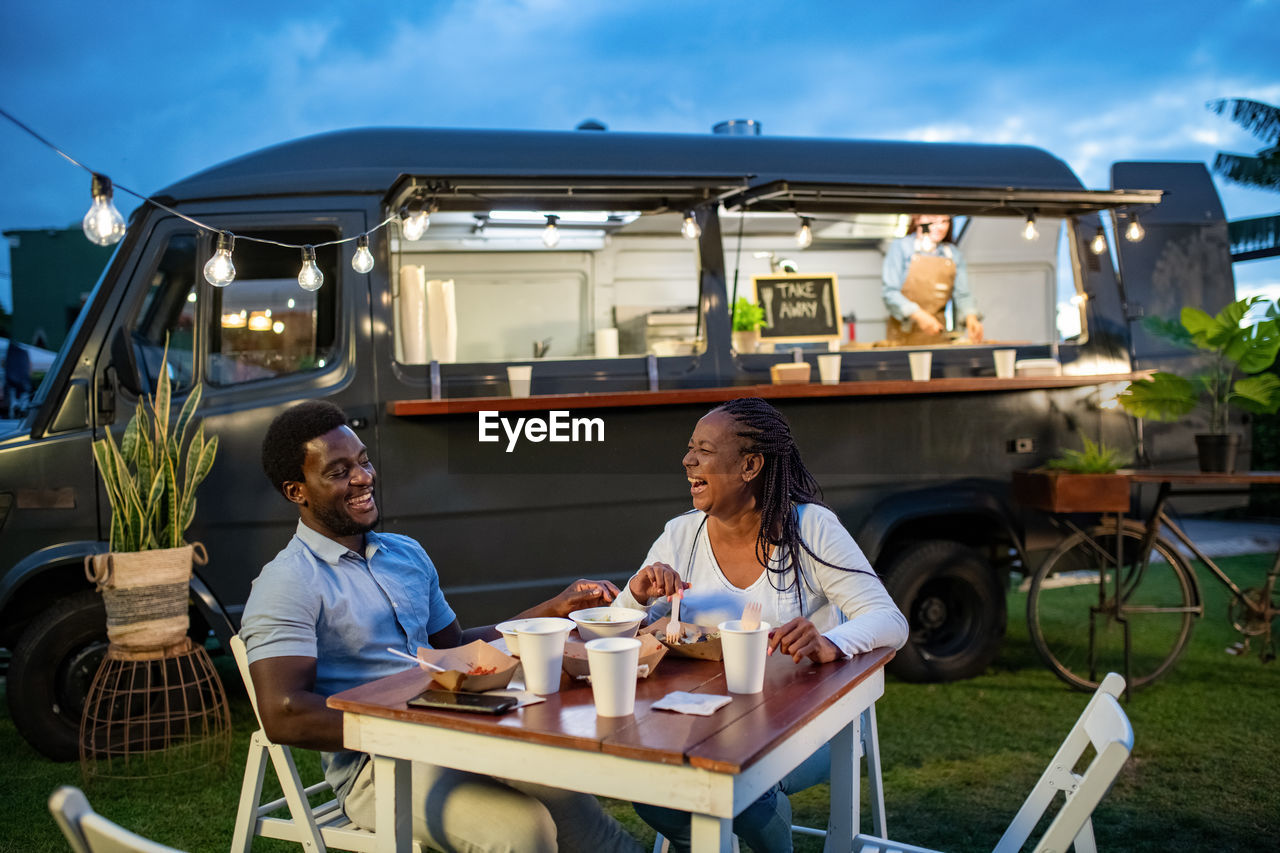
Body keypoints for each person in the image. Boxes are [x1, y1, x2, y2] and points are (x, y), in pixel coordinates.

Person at [239, 399, 642, 853]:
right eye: (338, 472)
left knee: (564, 786)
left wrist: (552, 609)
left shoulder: (404, 553)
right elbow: (285, 712)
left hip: (456, 730)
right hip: (378, 767)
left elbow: (456, 649)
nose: (362, 478)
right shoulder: (287, 582)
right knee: (524, 831)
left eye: (363, 461)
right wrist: (419, 725)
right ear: (298, 491)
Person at [611, 397, 909, 853]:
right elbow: (617, 637)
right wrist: (636, 593)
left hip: (814, 723)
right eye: (691, 448)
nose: (687, 460)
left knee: (742, 788)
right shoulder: (679, 535)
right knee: (650, 787)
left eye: (705, 450)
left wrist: (829, 641)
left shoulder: (810, 528)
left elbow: (890, 621)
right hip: (703, 719)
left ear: (750, 465)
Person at [881, 214, 983, 345]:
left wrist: (971, 317)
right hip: (903, 337)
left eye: (944, 221)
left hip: (938, 336)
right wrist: (918, 314)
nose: (939, 227)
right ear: (917, 220)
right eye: (932, 221)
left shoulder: (953, 254)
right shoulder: (901, 247)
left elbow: (963, 294)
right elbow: (890, 293)